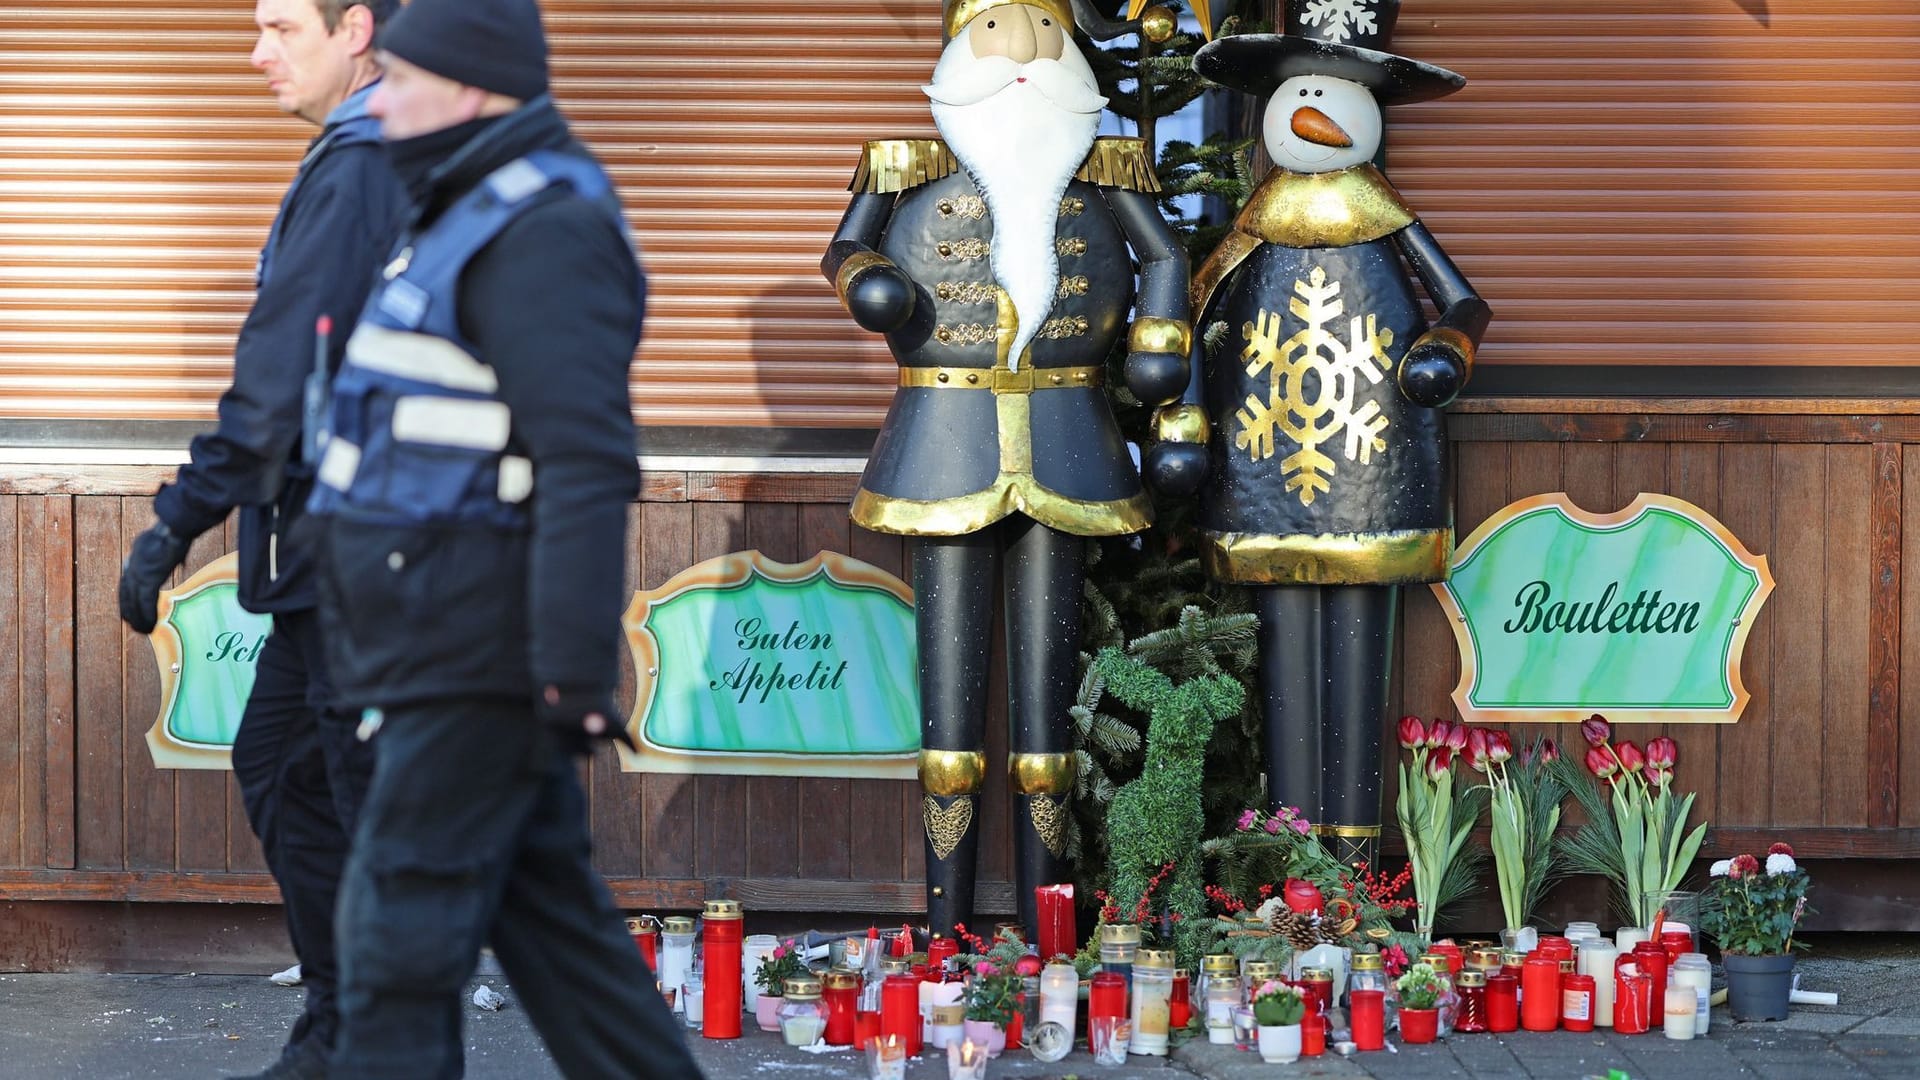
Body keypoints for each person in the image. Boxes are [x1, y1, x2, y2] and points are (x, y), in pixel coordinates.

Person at [304, 1, 702, 1076]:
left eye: (394, 74)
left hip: (475, 654)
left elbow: (585, 461)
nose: (377, 96)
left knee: (392, 951)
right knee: (568, 955)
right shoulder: (466, 209)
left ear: (471, 85)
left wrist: (570, 673)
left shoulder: (546, 227)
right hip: (438, 636)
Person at [821, 0, 1192, 940]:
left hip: (1069, 431)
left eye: (1040, 30)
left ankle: (1047, 932)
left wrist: (1158, 337)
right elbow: (844, 244)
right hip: (944, 436)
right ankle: (945, 935)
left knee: (1048, 711)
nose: (1020, 54)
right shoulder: (904, 167)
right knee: (946, 706)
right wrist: (865, 280)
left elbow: (1162, 254)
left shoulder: (1105, 169)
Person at [115, 2, 405, 1076]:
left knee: (350, 797)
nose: (256, 52)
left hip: (373, 554)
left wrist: (175, 522)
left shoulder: (368, 165)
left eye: (282, 25)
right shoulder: (372, 154)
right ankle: (345, 1024)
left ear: (358, 29)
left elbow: (278, 380)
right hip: (334, 556)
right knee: (290, 773)